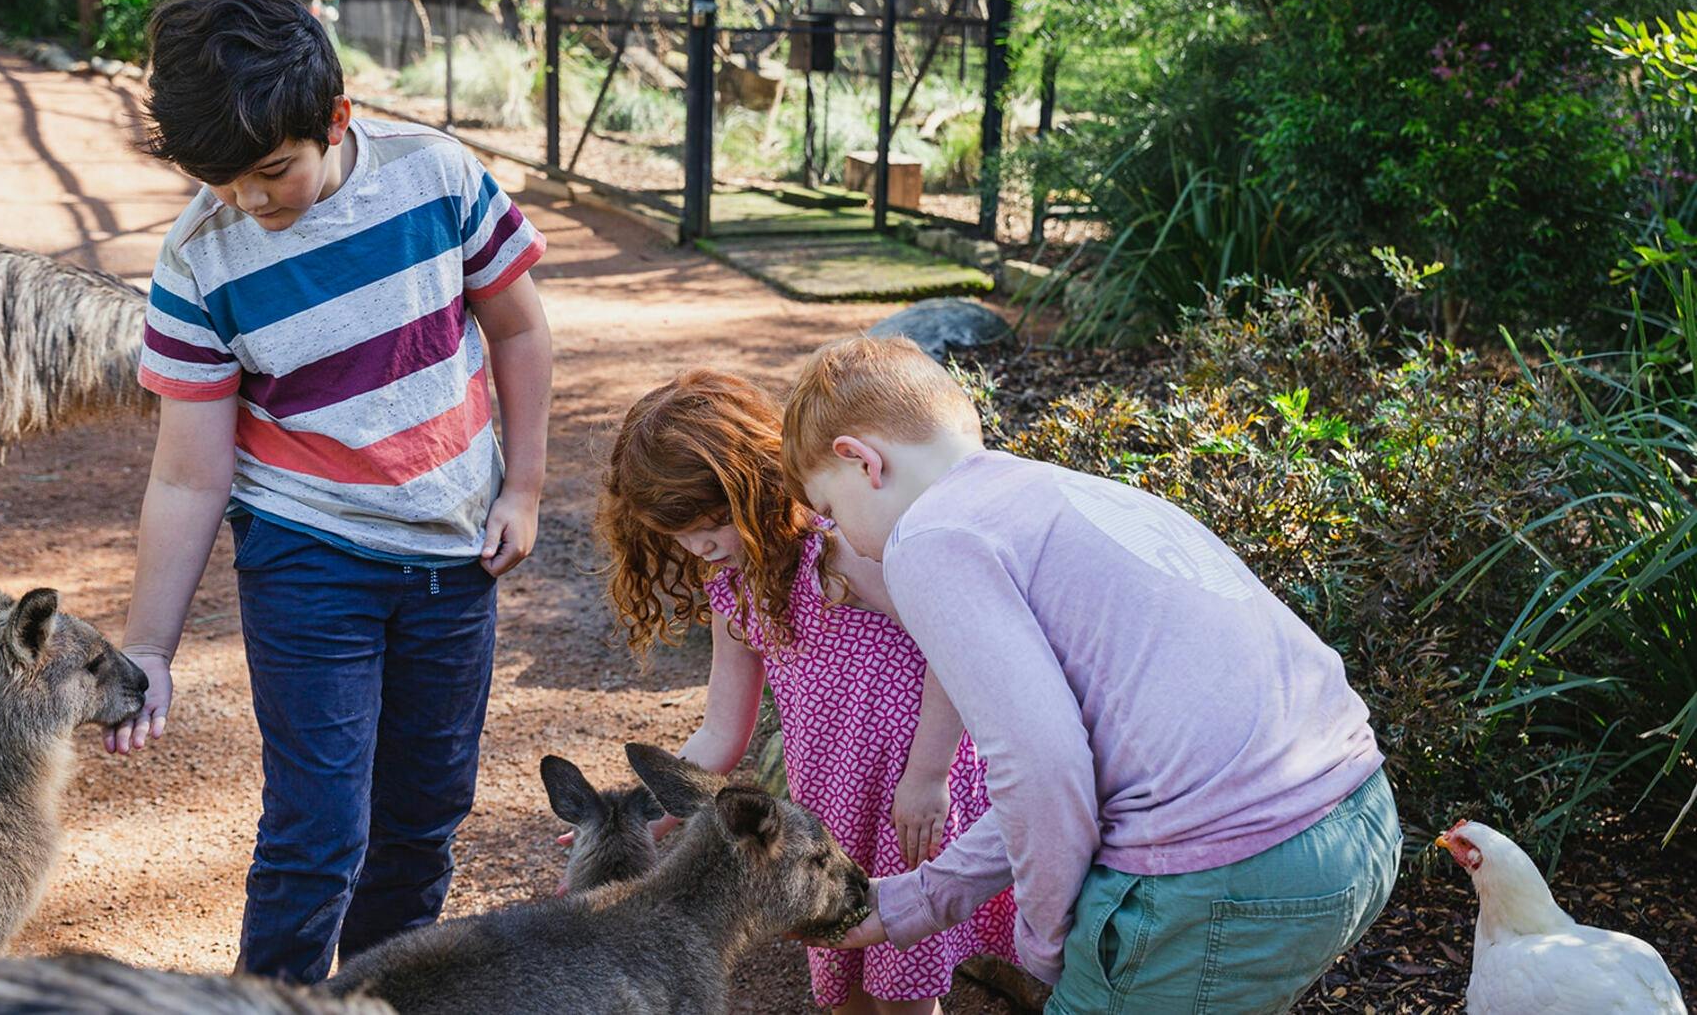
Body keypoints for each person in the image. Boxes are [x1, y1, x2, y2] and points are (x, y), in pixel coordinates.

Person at [107, 0, 552, 984]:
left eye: (270, 171)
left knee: (425, 812)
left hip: (451, 549)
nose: (249, 201)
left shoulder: (436, 176)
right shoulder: (198, 258)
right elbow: (187, 475)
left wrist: (522, 485)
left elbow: (520, 325)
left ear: (337, 116)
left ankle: (378, 995)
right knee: (318, 829)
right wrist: (150, 648)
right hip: (309, 555)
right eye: (223, 181)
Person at [780, 335, 1401, 1014]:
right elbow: (1062, 771)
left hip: (1217, 873)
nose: (840, 537)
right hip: (1354, 821)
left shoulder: (928, 538)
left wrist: (1049, 945)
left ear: (860, 460)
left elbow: (1042, 770)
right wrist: (914, 902)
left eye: (831, 512)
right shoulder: (1055, 493)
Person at [595, 369, 1016, 1015]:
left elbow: (952, 643)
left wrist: (928, 774)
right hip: (832, 809)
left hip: (907, 798)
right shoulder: (733, 589)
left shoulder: (841, 550)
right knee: (842, 984)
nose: (700, 545)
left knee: (902, 993)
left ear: (756, 484)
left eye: (712, 522)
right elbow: (720, 733)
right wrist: (641, 814)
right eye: (680, 534)